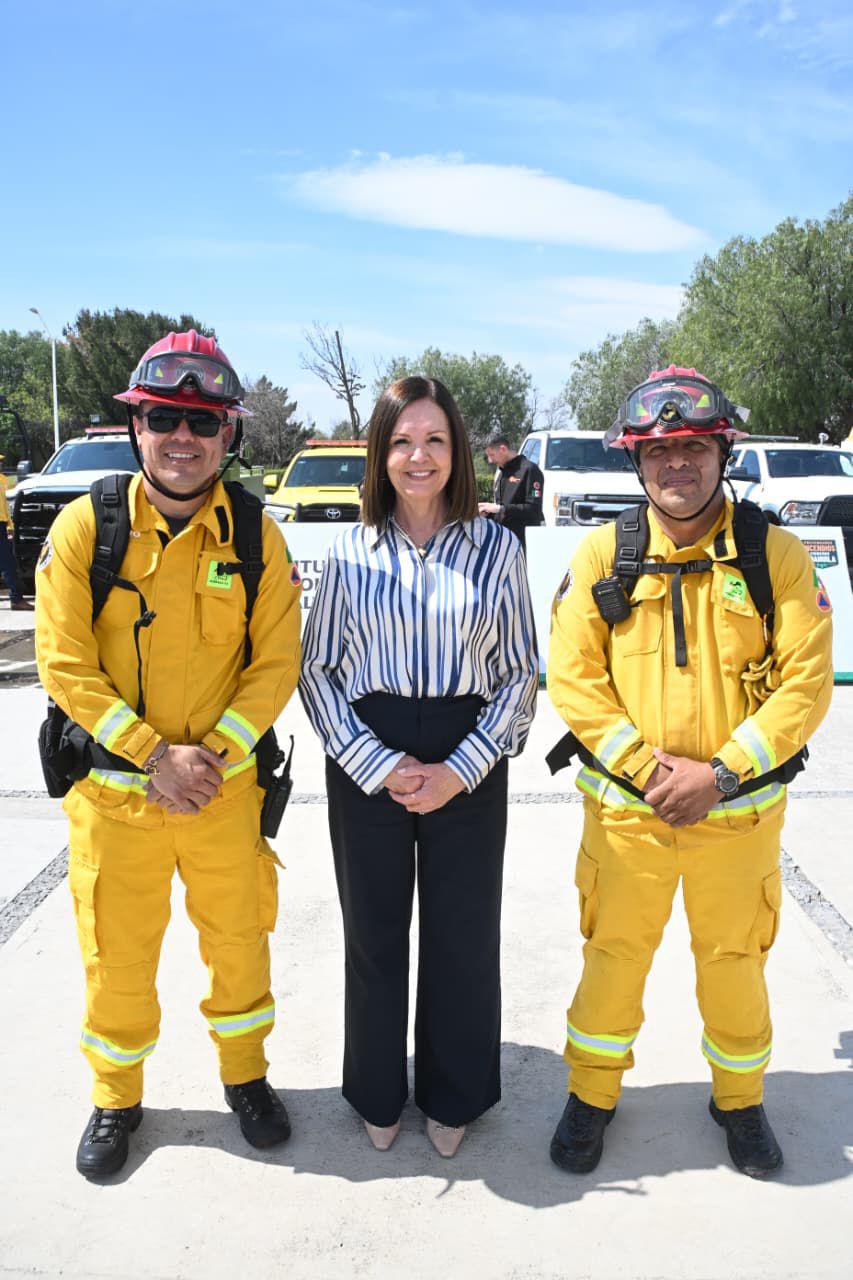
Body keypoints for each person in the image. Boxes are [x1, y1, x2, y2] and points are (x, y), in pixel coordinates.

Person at [546, 365, 833, 1178]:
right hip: (627, 819)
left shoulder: (772, 554)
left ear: (722, 452)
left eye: (694, 447)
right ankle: (590, 1095)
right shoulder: (605, 551)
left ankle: (739, 1103)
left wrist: (720, 773)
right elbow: (573, 678)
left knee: (734, 966)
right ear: (636, 462)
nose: (677, 465)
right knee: (612, 962)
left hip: (734, 818)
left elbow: (804, 686)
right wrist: (643, 770)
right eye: (659, 450)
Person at [35, 330, 302, 1178]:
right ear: (135, 427)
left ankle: (246, 1079)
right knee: (117, 955)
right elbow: (62, 662)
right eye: (162, 417)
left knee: (239, 945)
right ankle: (116, 1099)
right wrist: (154, 755)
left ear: (229, 434)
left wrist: (213, 757)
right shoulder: (88, 528)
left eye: (200, 420)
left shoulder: (258, 536)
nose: (181, 436)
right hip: (117, 802)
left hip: (223, 796)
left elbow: (274, 663)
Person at [300, 376, 538, 1158]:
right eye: (402, 440)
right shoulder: (345, 551)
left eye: (434, 440)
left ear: (457, 451)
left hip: (466, 754)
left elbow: (517, 673)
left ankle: (453, 1091)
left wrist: (460, 768)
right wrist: (374, 761)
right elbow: (318, 672)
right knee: (374, 933)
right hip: (370, 751)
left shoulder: (497, 548)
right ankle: (376, 1090)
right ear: (380, 453)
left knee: (461, 936)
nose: (418, 456)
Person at [478, 434, 544, 550]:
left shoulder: (530, 470)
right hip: (502, 541)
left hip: (521, 545)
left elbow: (534, 510)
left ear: (503, 449)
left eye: (491, 455)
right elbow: (502, 509)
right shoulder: (501, 473)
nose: (490, 460)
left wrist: (500, 509)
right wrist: (488, 512)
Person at [0, 454, 33, 610]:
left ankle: (16, 598)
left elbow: (5, 506)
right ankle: (16, 599)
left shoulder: (3, 480)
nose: (0, 464)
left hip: (2, 524)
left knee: (8, 563)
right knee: (8, 563)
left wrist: (9, 525)